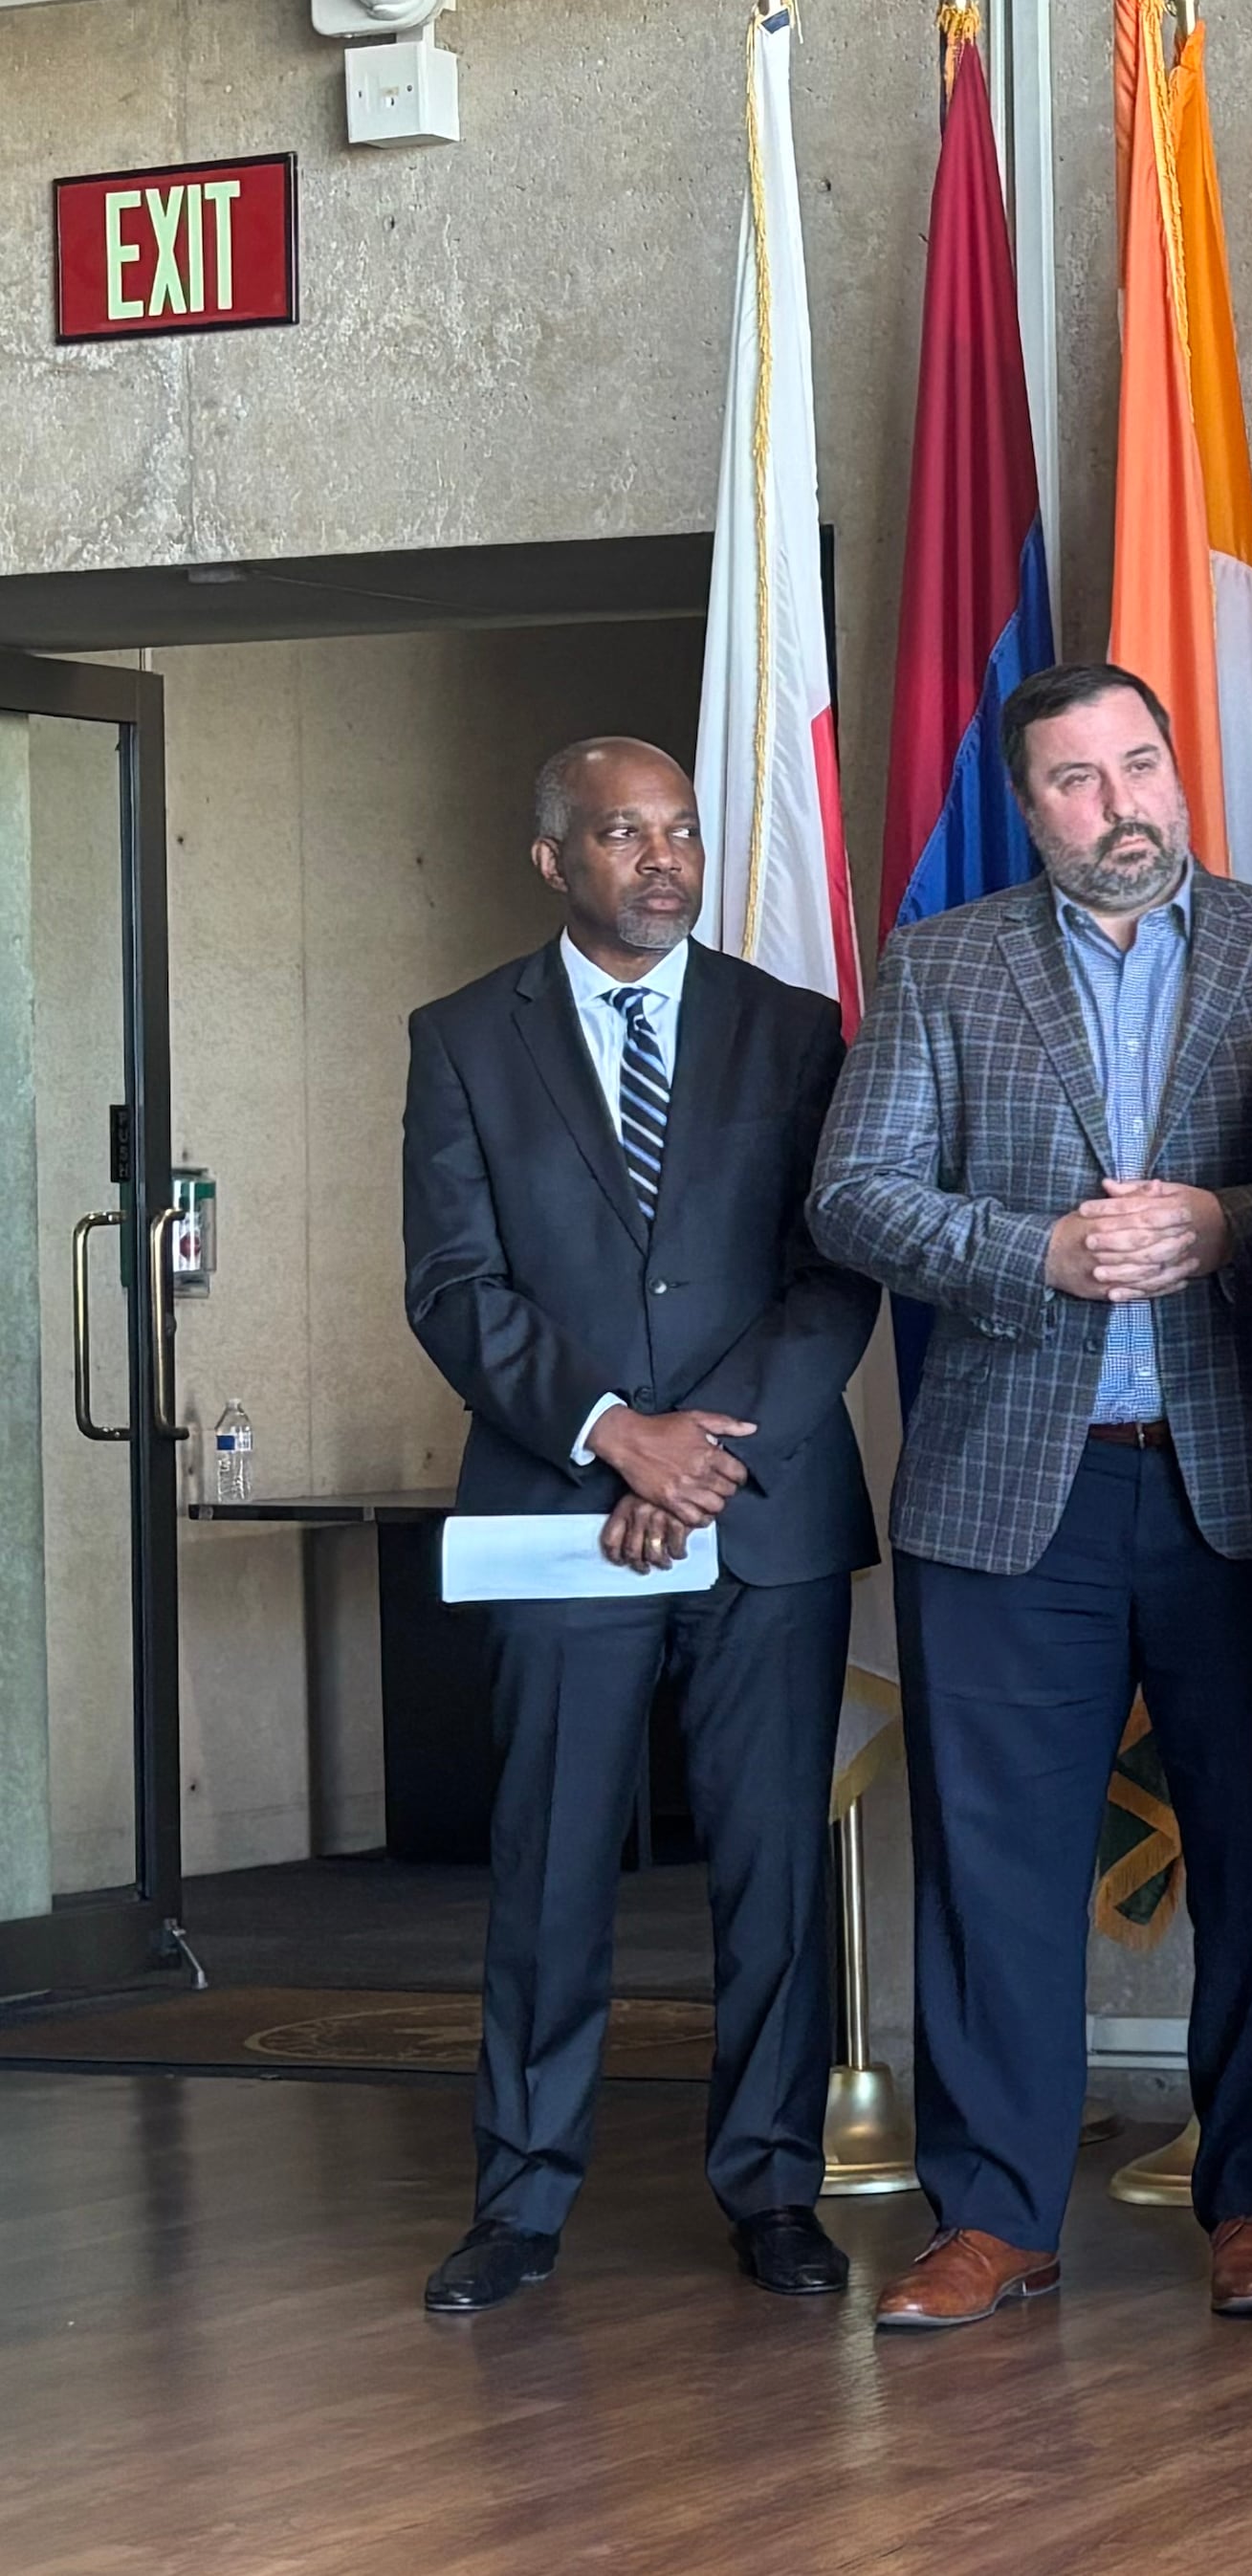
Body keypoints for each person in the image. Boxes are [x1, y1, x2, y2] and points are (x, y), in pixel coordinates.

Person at [809, 662, 1252, 2333]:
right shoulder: (943, 962)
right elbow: (854, 1193)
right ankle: (992, 2215)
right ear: (1027, 803)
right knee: (994, 1867)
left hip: (1249, 1485)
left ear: (1178, 770)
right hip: (1007, 1494)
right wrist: (1032, 1249)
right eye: (1076, 778)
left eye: (1139, 765)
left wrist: (1224, 1221)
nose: (1119, 804)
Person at [397, 738, 881, 2315]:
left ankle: (775, 2188)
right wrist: (615, 1434)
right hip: (561, 1513)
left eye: (680, 830)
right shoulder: (463, 1037)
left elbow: (835, 1267)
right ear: (555, 859)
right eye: (624, 832)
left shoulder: (793, 1029)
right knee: (548, 1864)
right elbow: (455, 1285)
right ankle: (521, 2199)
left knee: (771, 1871)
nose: (663, 858)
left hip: (763, 1517)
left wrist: (702, 1455)